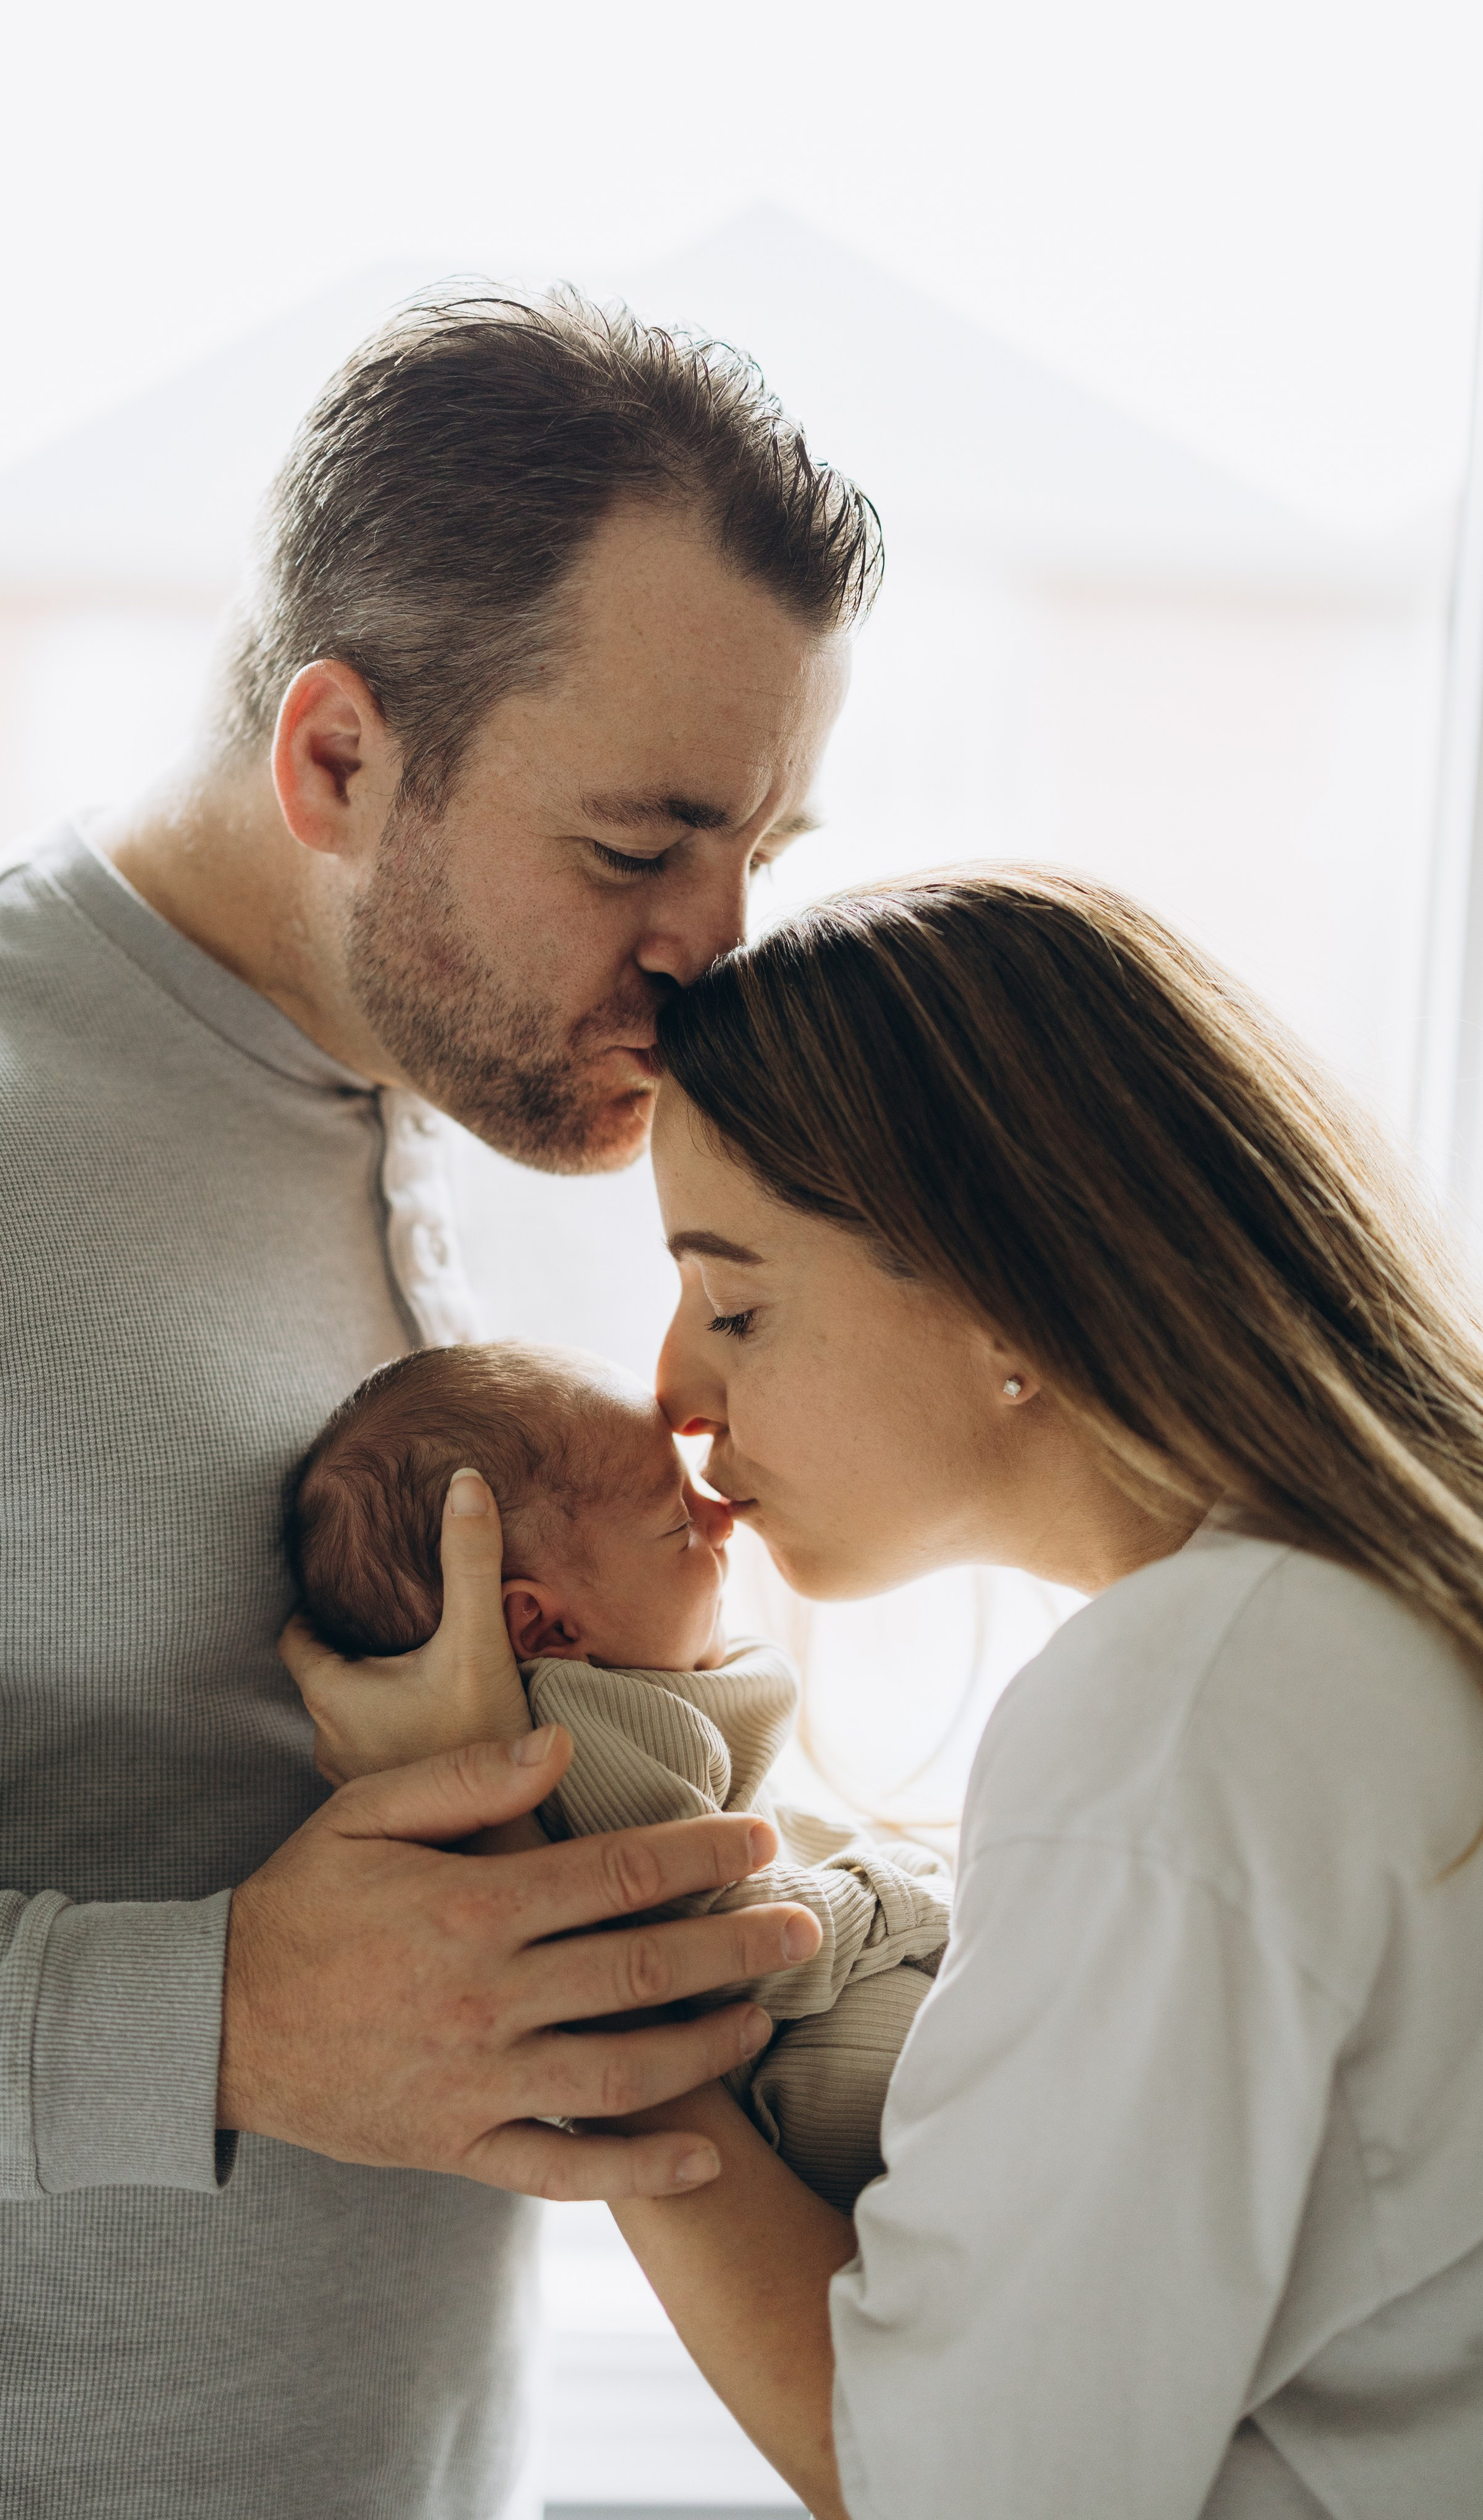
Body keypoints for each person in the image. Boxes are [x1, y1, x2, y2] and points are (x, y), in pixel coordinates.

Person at [0, 289, 869, 2517]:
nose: (721, 945)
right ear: (336, 762)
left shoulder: (488, 1118)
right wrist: (225, 2020)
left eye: (757, 843)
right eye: (636, 846)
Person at [293, 865, 1483, 2519]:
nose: (671, 1387)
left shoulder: (1179, 1718)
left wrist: (537, 1929)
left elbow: (943, 2491)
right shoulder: (1364, 1633)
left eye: (735, 1300)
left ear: (1004, 1288)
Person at [285, 1338, 951, 2206]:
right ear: (545, 1628)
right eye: (677, 1523)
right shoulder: (584, 1731)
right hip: (817, 2082)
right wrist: (912, 1898)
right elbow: (706, 1944)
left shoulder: (623, 1690)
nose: (720, 1517)